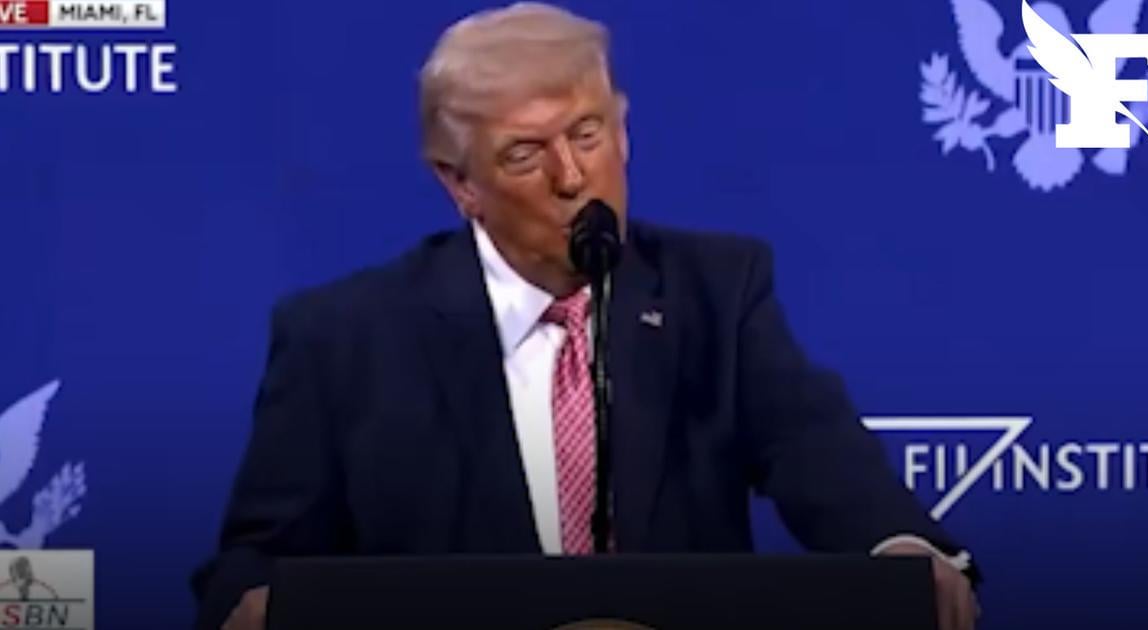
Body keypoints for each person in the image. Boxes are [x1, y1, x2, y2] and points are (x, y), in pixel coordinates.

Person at [193, 3, 981, 629]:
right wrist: (255, 603)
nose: (573, 177)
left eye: (587, 134)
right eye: (525, 154)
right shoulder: (344, 337)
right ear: (459, 183)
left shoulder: (715, 292)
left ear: (623, 132)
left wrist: (902, 549)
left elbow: (815, 450)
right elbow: (252, 562)